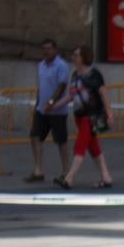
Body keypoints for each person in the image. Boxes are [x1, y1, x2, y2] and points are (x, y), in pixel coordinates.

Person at [52, 44, 113, 190]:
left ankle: (69, 179)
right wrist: (55, 105)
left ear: (83, 57)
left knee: (80, 146)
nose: (73, 57)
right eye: (73, 55)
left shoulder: (94, 74)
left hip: (91, 116)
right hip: (79, 116)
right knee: (93, 148)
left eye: (76, 55)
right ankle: (106, 177)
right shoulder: (75, 75)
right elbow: (71, 96)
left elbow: (103, 93)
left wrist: (109, 112)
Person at [25, 38, 71, 183]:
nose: (46, 51)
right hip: (41, 110)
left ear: (55, 49)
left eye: (49, 48)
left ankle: (66, 172)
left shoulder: (61, 65)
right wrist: (38, 104)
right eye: (44, 48)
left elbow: (62, 86)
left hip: (57, 111)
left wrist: (52, 102)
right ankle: (39, 170)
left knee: (61, 141)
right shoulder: (41, 66)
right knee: (34, 136)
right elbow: (41, 87)